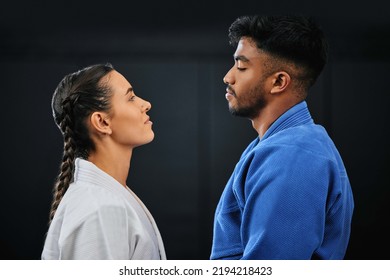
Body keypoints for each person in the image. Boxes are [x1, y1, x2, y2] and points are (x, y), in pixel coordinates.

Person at [210, 15, 354, 260]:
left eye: (241, 66)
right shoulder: (281, 146)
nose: (228, 77)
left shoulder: (293, 155)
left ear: (278, 82)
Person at [42, 63, 166, 260]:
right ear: (102, 122)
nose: (146, 104)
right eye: (131, 98)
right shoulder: (100, 208)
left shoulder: (107, 198)